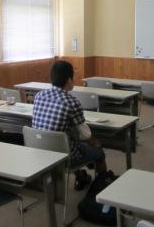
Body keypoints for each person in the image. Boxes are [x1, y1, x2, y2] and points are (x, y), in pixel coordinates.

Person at [32, 60, 108, 190]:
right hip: (64, 157)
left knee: (68, 142)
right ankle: (101, 187)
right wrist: (96, 144)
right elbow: (86, 135)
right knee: (98, 152)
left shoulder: (39, 95)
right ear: (69, 80)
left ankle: (81, 176)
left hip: (40, 152)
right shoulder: (71, 102)